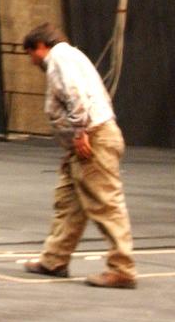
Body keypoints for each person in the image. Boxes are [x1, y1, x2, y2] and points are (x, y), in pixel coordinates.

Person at [21, 24, 136, 288]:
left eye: (31, 54)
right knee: (69, 201)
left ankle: (123, 268)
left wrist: (80, 133)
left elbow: (75, 94)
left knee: (105, 203)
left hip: (92, 137)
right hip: (88, 139)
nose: (32, 61)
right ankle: (54, 260)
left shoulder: (59, 56)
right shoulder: (71, 57)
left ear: (41, 46)